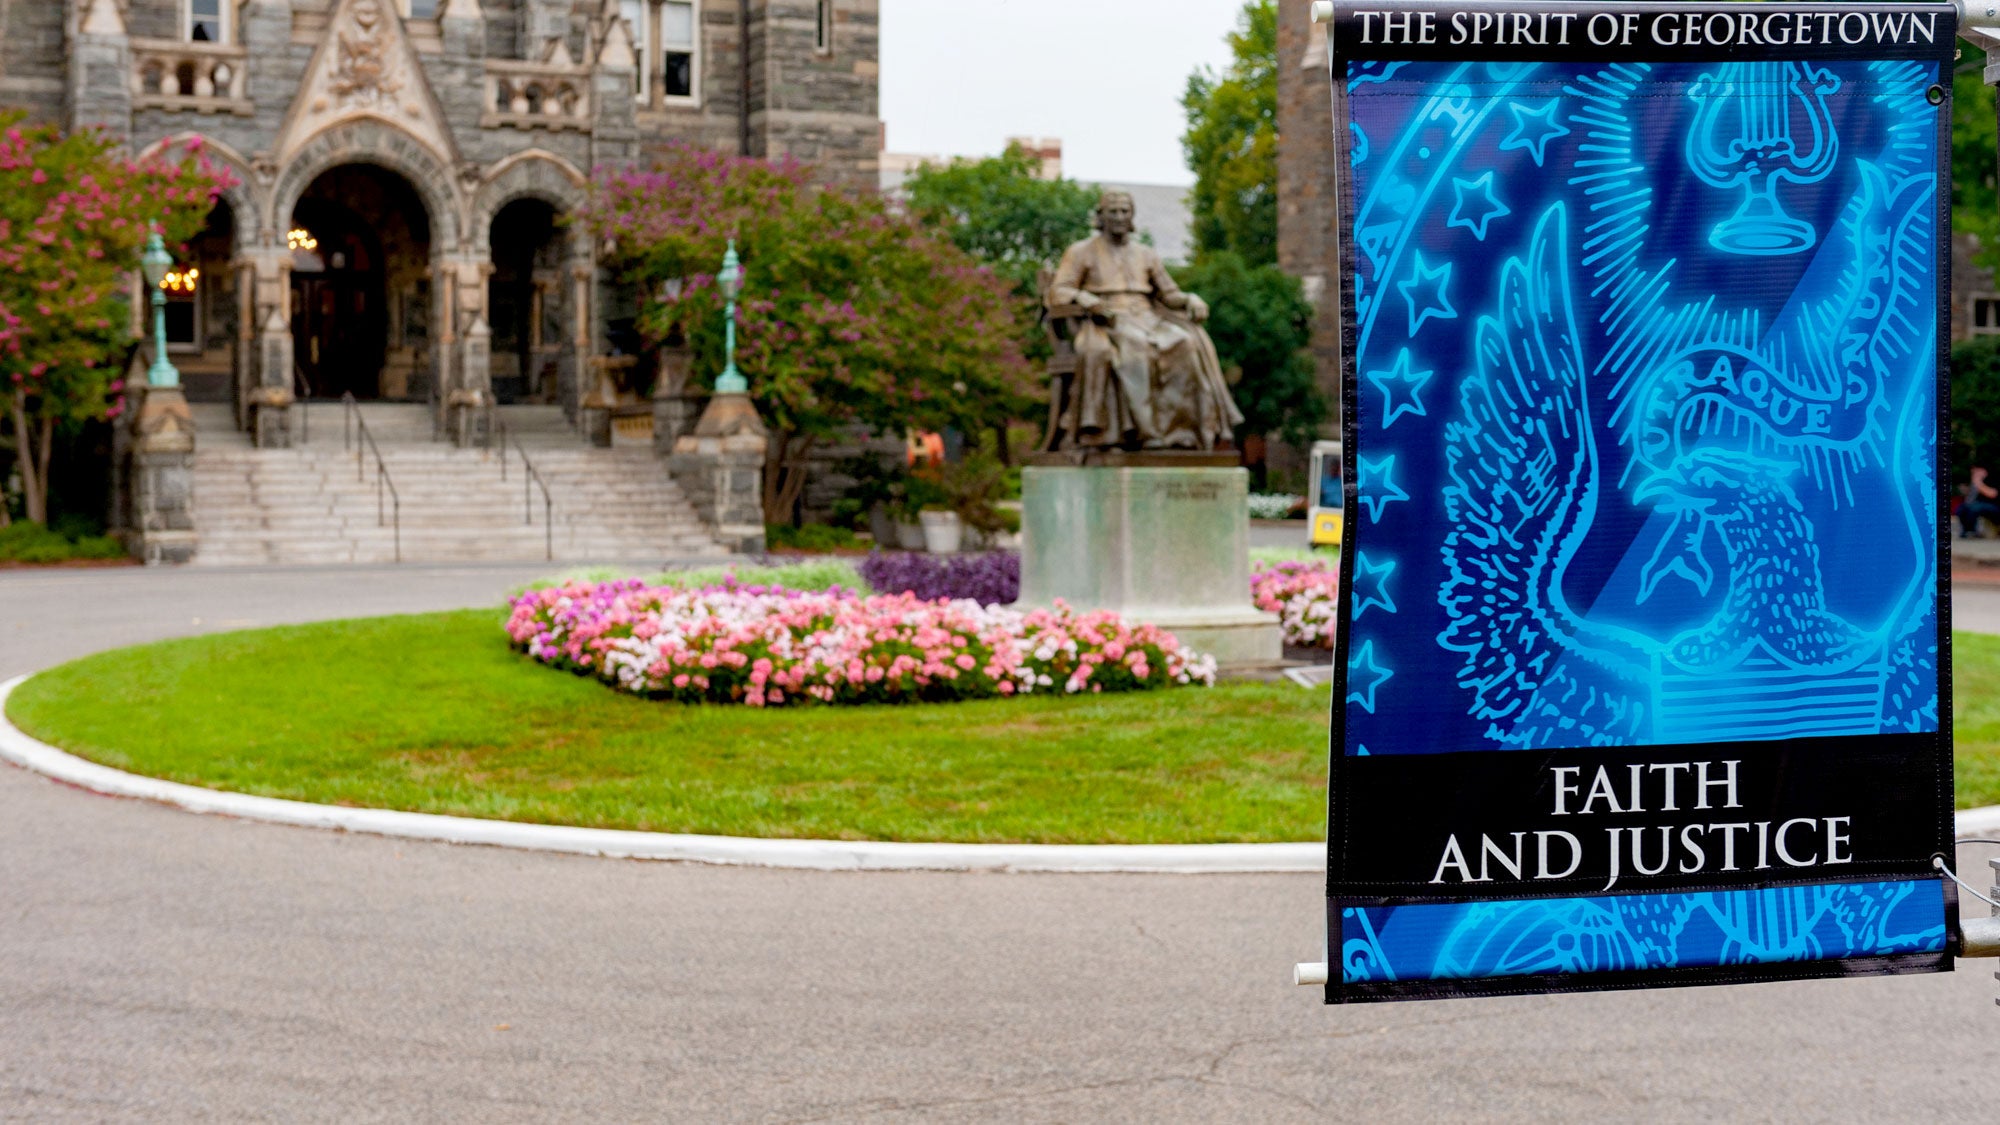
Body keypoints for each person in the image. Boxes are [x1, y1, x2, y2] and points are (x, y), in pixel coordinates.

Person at [1046, 191, 1243, 450]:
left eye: (1124, 211)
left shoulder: (1146, 254)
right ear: (1100, 216)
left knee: (1184, 343)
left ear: (1132, 216)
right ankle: (1145, 433)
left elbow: (1169, 294)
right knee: (1135, 349)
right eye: (1112, 211)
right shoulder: (1081, 251)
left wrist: (1190, 299)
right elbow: (1058, 290)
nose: (1119, 217)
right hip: (1108, 319)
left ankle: (1180, 433)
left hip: (1148, 317)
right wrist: (1084, 299)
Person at [1962, 465, 2000, 539]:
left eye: (1976, 471)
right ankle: (1966, 531)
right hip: (1979, 505)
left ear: (1984, 471)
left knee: (1974, 508)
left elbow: (1992, 494)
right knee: (1962, 509)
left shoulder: (1992, 479)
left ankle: (1972, 531)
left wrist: (1978, 483)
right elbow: (1969, 499)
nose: (1974, 473)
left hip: (1995, 506)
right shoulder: (1976, 481)